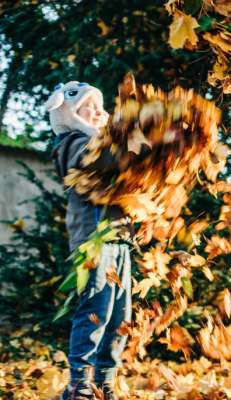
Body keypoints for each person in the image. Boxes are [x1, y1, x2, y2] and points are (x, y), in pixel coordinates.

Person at [47, 82, 132, 400]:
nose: (98, 112)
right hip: (94, 241)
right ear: (70, 112)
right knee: (96, 310)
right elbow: (100, 161)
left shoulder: (103, 142)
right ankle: (79, 384)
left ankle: (105, 382)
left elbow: (122, 188)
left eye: (100, 106)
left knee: (120, 317)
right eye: (88, 106)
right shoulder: (70, 142)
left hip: (120, 241)